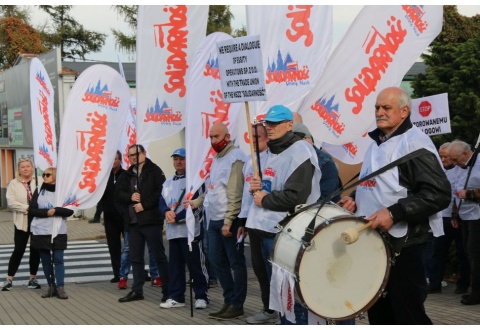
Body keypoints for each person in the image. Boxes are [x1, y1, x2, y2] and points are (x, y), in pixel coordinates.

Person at [339, 86, 451, 324]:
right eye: (377, 107)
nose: (379, 112)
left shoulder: (415, 144)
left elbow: (439, 194)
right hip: (374, 243)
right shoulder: (375, 143)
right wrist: (355, 201)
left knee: (407, 313)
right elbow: (377, 186)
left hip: (406, 244)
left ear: (403, 111)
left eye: (386, 108)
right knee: (379, 313)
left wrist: (394, 212)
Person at [249, 105, 321, 325]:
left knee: (292, 293)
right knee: (277, 292)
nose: (269, 128)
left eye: (275, 123)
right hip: (262, 228)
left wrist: (265, 199)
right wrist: (257, 187)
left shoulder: (300, 151)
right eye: (267, 123)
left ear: (290, 125)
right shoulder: (269, 151)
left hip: (286, 232)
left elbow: (296, 196)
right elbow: (272, 185)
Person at [292, 122, 355, 325]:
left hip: (323, 227)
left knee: (332, 283)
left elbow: (323, 199)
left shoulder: (323, 160)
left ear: (307, 140)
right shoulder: (294, 158)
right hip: (303, 228)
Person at [200, 122, 247, 320]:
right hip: (215, 218)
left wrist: (229, 220)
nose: (213, 141)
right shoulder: (217, 158)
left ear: (227, 137)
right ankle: (228, 300)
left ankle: (237, 304)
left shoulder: (235, 157)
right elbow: (213, 188)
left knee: (235, 263)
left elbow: (235, 192)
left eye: (216, 136)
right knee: (216, 260)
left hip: (230, 219)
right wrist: (195, 201)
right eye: (210, 137)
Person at [115, 144, 169, 303]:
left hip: (151, 221)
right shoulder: (126, 175)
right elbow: (118, 195)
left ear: (144, 153)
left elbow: (161, 193)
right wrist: (130, 197)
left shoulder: (155, 171)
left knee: (159, 256)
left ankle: (168, 290)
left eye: (136, 154)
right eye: (130, 155)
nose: (133, 158)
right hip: (133, 223)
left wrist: (144, 204)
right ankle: (137, 290)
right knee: (136, 258)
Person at [159, 148, 209, 309]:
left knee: (195, 266)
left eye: (182, 159)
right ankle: (177, 297)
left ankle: (201, 296)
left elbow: (197, 205)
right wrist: (166, 212)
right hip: (173, 232)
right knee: (175, 267)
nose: (178, 162)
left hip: (191, 231)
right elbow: (161, 202)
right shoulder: (167, 182)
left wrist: (178, 217)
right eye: (175, 159)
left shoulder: (196, 182)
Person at [241, 120, 279, 324]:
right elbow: (245, 195)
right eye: (252, 137)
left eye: (259, 137)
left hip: (271, 224)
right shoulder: (250, 161)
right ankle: (268, 309)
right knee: (260, 270)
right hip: (253, 223)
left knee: (274, 271)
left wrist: (261, 187)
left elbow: (274, 188)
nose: (254, 141)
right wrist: (241, 220)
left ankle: (282, 312)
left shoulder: (275, 158)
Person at [428, 142, 470, 294]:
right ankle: (434, 283)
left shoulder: (462, 170)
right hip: (440, 218)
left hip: (456, 218)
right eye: (441, 156)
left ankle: (463, 284)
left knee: (462, 253)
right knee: (437, 253)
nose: (444, 159)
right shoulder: (437, 170)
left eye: (446, 156)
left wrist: (455, 214)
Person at [29, 167, 74, 299]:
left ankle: (60, 287)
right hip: (41, 230)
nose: (45, 177)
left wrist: (56, 211)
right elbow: (32, 210)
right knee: (45, 260)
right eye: (43, 175)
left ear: (55, 176)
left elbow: (70, 211)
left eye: (48, 175)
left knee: (58, 259)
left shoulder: (63, 192)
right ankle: (51, 286)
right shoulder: (39, 190)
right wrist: (46, 213)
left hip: (58, 230)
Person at [448, 139, 480, 305]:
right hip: (464, 216)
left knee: (475, 255)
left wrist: (469, 194)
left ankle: (477, 293)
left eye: (455, 159)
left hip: (477, 216)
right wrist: (455, 215)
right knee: (469, 254)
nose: (453, 163)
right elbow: (456, 190)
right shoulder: (461, 166)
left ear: (466, 153)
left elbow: (464, 191)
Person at [2, 158, 41, 291]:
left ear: (32, 167)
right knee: (19, 249)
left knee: (35, 250)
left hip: (38, 221)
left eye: (28, 166)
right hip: (21, 220)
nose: (25, 168)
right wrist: (28, 208)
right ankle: (9, 279)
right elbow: (11, 202)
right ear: (18, 169)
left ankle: (32, 278)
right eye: (22, 167)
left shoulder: (40, 181)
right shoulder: (14, 183)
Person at [292, 122, 341, 203]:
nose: (300, 144)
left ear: (311, 140)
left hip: (320, 209)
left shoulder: (325, 162)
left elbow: (324, 198)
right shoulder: (288, 157)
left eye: (303, 139)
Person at [99, 151, 126, 283]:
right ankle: (117, 274)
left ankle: (141, 272)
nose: (113, 161)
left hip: (125, 217)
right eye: (111, 159)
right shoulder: (103, 177)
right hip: (110, 217)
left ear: (120, 160)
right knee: (114, 247)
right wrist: (99, 213)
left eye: (116, 159)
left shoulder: (126, 175)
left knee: (131, 246)